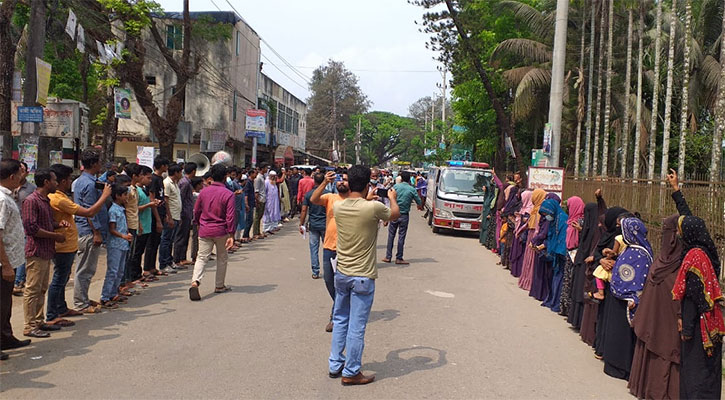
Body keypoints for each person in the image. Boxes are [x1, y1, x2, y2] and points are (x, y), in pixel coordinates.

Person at [328, 165, 399, 386]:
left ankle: (335, 363)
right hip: (362, 275)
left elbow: (357, 204)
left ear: (348, 183)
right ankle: (351, 371)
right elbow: (394, 214)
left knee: (340, 319)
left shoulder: (339, 207)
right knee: (356, 326)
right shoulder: (373, 207)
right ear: (368, 183)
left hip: (342, 272)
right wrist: (392, 196)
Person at [47, 164, 110, 324]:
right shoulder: (59, 199)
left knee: (63, 277)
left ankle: (61, 307)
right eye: (68, 179)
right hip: (64, 244)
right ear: (61, 181)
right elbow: (88, 211)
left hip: (69, 242)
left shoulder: (62, 196)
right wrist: (104, 195)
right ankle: (53, 313)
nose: (70, 182)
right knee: (62, 278)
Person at [673, 215, 724, 399]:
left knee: (695, 373)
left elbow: (692, 297)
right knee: (709, 372)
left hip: (698, 326)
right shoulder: (707, 251)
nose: (679, 234)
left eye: (681, 231)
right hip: (712, 319)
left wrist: (686, 327)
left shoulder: (694, 257)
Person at [21, 169, 68, 338]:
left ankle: (39, 321)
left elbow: (45, 223)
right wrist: (55, 235)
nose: (57, 183)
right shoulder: (31, 201)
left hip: (46, 251)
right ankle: (29, 325)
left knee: (41, 288)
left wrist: (57, 225)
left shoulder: (45, 200)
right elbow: (31, 228)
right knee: (32, 289)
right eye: (54, 180)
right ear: (46, 182)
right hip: (36, 251)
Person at [188, 164, 236, 301]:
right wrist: (232, 234)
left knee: (201, 257)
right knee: (222, 257)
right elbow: (230, 216)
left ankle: (195, 282)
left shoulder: (204, 192)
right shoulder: (228, 194)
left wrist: (197, 223)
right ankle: (219, 285)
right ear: (225, 177)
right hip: (221, 230)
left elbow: (196, 211)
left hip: (204, 228)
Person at [0, 159, 32, 359]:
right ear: (12, 177)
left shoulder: (8, 196)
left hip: (10, 260)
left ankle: (6, 336)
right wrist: (6, 265)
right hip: (5, 262)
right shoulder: (2, 200)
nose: (23, 177)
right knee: (1, 303)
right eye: (20, 174)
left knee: (6, 302)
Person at [311, 170, 350, 332]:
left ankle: (335, 316)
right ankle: (343, 305)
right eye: (340, 180)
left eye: (346, 180)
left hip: (347, 250)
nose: (342, 182)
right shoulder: (330, 198)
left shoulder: (356, 201)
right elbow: (314, 199)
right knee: (328, 280)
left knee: (342, 284)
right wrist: (325, 182)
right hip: (329, 247)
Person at [100, 185, 132, 308]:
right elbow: (112, 229)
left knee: (120, 270)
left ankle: (113, 292)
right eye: (124, 195)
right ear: (118, 196)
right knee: (112, 271)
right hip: (115, 244)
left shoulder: (121, 208)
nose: (126, 197)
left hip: (123, 244)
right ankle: (105, 296)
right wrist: (123, 236)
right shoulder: (113, 210)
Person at [382, 171, 422, 265]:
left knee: (391, 235)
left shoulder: (396, 187)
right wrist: (419, 206)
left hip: (394, 214)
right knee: (401, 237)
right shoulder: (411, 189)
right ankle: (399, 258)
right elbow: (419, 201)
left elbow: (388, 198)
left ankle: (388, 256)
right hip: (404, 215)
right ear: (409, 179)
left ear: (401, 178)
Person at [538, 198, 569, 313]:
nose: (546, 216)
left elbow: (562, 238)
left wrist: (557, 251)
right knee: (554, 279)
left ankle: (556, 303)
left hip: (560, 254)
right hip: (554, 254)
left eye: (547, 213)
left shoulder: (562, 219)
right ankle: (552, 300)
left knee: (559, 279)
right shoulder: (554, 219)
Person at [129, 166, 159, 283]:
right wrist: (149, 205)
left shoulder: (143, 190)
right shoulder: (135, 190)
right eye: (147, 178)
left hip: (146, 225)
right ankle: (134, 275)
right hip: (139, 225)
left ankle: (139, 273)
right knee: (136, 253)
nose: (149, 180)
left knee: (141, 251)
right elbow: (135, 208)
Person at [12, 162, 36, 296]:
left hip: (25, 226)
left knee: (23, 254)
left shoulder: (31, 189)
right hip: (10, 227)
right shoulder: (7, 188)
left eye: (22, 170)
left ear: (27, 173)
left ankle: (18, 281)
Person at [559, 196, 584, 317]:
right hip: (569, 253)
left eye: (570, 206)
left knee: (572, 281)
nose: (568, 209)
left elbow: (585, 238)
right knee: (567, 280)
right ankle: (564, 308)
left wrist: (580, 230)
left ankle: (570, 310)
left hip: (576, 254)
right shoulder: (570, 219)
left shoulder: (582, 221)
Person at [144, 156, 169, 277]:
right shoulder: (153, 179)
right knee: (151, 242)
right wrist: (158, 219)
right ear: (163, 166)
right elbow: (152, 198)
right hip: (155, 215)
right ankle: (147, 268)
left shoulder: (160, 179)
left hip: (161, 212)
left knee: (156, 242)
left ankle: (153, 267)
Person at [518, 189, 546, 291]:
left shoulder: (536, 210)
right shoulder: (537, 211)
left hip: (532, 236)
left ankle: (527, 280)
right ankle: (528, 281)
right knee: (531, 259)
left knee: (530, 259)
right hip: (534, 237)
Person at [300, 172, 327, 279]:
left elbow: (303, 210)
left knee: (313, 249)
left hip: (313, 225)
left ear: (314, 181)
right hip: (326, 224)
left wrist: (301, 223)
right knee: (328, 248)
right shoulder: (328, 194)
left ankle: (315, 271)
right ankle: (330, 269)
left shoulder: (309, 194)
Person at [160, 163, 182, 273]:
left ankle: (169, 261)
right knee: (166, 240)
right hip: (171, 216)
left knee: (171, 240)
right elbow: (166, 200)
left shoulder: (176, 184)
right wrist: (169, 216)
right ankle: (163, 264)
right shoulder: (167, 183)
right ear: (176, 173)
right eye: (180, 172)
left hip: (176, 215)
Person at [174, 162, 196, 266]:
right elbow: (181, 198)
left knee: (186, 235)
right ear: (193, 171)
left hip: (187, 212)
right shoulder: (185, 183)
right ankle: (178, 258)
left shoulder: (186, 182)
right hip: (184, 213)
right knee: (181, 236)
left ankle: (182, 257)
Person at [253, 163, 268, 240]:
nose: (267, 169)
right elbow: (256, 191)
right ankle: (255, 233)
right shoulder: (258, 178)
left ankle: (258, 232)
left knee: (260, 216)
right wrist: (257, 201)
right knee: (257, 217)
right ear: (262, 168)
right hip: (260, 199)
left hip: (263, 198)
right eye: (266, 168)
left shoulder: (263, 177)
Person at [243, 169, 256, 241]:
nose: (256, 175)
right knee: (248, 220)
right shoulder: (248, 183)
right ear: (251, 174)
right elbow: (246, 194)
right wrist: (246, 204)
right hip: (249, 204)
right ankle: (245, 235)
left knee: (250, 220)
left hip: (251, 203)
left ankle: (247, 235)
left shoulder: (251, 182)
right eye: (254, 173)